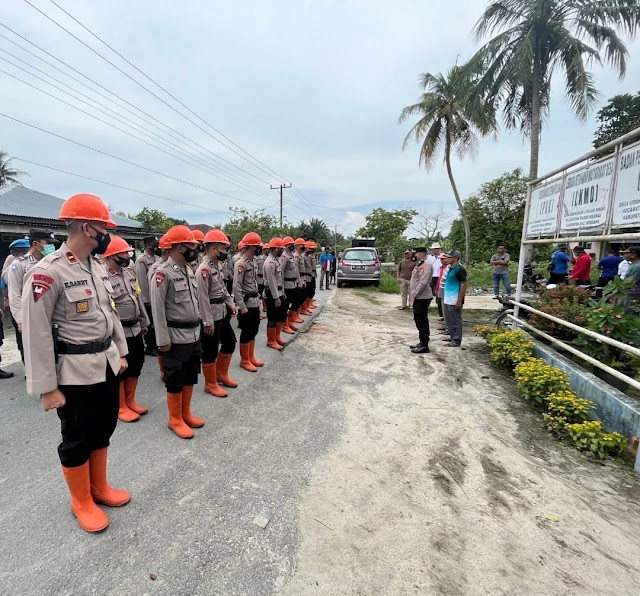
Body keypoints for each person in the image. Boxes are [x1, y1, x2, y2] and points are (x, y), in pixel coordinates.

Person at [22, 193, 130, 533]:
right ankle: (81, 500)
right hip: (74, 372)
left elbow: (109, 313)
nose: (108, 235)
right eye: (104, 227)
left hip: (106, 364)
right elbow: (35, 333)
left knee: (103, 428)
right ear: (88, 228)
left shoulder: (95, 266)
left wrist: (121, 351)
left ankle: (98, 488)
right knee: (77, 437)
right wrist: (46, 388)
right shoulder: (48, 272)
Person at [150, 225, 204, 440]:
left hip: (193, 333)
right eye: (191, 245)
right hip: (175, 336)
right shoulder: (162, 273)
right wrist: (162, 341)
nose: (194, 249)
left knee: (190, 375)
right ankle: (174, 419)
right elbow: (157, 309)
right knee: (175, 378)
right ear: (180, 247)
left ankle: (185, 413)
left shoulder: (188, 270)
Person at [103, 235, 150, 423]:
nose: (126, 256)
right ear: (111, 256)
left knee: (136, 364)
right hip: (118, 331)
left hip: (135, 328)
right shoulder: (103, 277)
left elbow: (137, 298)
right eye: (122, 253)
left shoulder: (129, 273)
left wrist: (144, 322)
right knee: (120, 369)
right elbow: (107, 309)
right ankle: (121, 406)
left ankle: (131, 400)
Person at [195, 229, 238, 398]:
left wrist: (230, 303)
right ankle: (210, 384)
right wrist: (207, 321)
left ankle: (221, 374)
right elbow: (203, 298)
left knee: (230, 342)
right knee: (210, 350)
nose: (226, 253)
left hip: (221, 312)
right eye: (224, 249)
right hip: (210, 315)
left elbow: (222, 289)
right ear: (213, 249)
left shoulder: (217, 267)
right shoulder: (203, 270)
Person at [7, 229, 59, 365]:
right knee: (29, 347)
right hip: (27, 312)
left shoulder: (51, 262)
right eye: (47, 243)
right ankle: (31, 373)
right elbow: (14, 294)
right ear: (36, 244)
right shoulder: (19, 265)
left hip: (48, 310)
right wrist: (20, 319)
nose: (51, 246)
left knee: (50, 344)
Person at [234, 232, 264, 372]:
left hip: (254, 302)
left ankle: (251, 357)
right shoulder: (241, 264)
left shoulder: (253, 262)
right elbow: (236, 286)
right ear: (252, 247)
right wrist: (241, 306)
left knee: (254, 329)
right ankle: (244, 360)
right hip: (246, 304)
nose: (259, 249)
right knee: (246, 331)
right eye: (258, 246)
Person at [134, 236, 160, 357]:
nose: (157, 246)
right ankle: (150, 346)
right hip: (148, 296)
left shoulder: (157, 258)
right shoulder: (141, 260)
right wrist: (146, 299)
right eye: (155, 244)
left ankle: (156, 344)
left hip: (157, 295)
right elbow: (142, 281)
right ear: (148, 245)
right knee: (149, 322)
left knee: (156, 321)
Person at [263, 237, 289, 350]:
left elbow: (279, 279)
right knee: (272, 317)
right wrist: (276, 297)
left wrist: (281, 293)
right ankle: (271, 340)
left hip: (278, 292)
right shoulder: (269, 263)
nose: (282, 251)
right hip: (272, 294)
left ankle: (277, 336)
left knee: (282, 314)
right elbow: (272, 281)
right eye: (281, 249)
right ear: (276, 249)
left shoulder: (275, 260)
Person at [408, 247, 433, 354]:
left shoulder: (426, 264)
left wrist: (414, 294)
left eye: (416, 254)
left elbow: (423, 282)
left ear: (421, 254)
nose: (415, 255)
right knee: (418, 318)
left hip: (423, 296)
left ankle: (424, 344)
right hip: (419, 296)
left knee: (421, 320)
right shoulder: (421, 263)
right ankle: (421, 342)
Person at [441, 250, 467, 348]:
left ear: (455, 258)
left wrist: (459, 300)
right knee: (449, 319)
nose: (446, 259)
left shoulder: (459, 269)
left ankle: (457, 339)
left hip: (454, 298)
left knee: (456, 319)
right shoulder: (451, 268)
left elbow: (463, 285)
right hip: (448, 298)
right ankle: (452, 336)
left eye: (449, 257)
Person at [281, 236, 303, 333]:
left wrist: (299, 281)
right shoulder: (284, 256)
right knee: (285, 306)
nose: (292, 246)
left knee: (297, 301)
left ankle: (290, 321)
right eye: (290, 244)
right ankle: (285, 325)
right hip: (286, 285)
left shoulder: (292, 255)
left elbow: (296, 269)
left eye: (293, 244)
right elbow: (280, 272)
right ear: (285, 245)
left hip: (293, 284)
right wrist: (281, 287)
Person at [295, 238, 312, 316]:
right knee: (298, 299)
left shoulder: (300, 256)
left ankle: (297, 314)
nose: (304, 247)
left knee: (303, 296)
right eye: (302, 245)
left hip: (303, 278)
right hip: (298, 280)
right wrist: (299, 281)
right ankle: (293, 317)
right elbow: (296, 270)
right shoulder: (296, 256)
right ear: (298, 246)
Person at [306, 241, 318, 309]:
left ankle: (309, 302)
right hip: (309, 274)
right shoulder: (308, 256)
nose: (314, 249)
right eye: (312, 248)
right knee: (310, 290)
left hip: (312, 273)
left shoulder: (312, 255)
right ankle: (307, 304)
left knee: (313, 289)